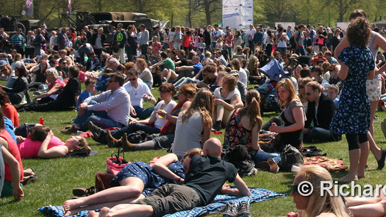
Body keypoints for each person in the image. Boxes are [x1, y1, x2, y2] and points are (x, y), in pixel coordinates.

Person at [89, 138, 250, 217]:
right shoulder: (228, 167)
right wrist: (229, 192)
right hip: (192, 195)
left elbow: (194, 172)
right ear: (221, 152)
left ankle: (108, 211)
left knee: (145, 202)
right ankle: (111, 215)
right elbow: (245, 191)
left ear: (204, 151)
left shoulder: (196, 158)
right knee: (156, 209)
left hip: (175, 187)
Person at [64, 149, 202, 216]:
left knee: (136, 200)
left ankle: (79, 209)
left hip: (152, 189)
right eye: (193, 158)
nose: (194, 163)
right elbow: (157, 166)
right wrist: (178, 179)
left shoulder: (190, 176)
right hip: (145, 173)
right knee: (134, 190)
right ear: (187, 156)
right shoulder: (174, 158)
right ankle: (80, 202)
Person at [329, 16, 375, 182]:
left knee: (351, 135)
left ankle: (352, 174)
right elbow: (371, 75)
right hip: (362, 96)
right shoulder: (368, 53)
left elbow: (343, 75)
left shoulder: (348, 52)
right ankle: (361, 171)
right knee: (363, 133)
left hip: (350, 96)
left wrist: (341, 67)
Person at [91, 83, 177, 146]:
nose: (161, 93)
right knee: (134, 127)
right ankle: (106, 135)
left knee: (134, 127)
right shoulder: (160, 103)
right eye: (160, 91)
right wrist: (137, 121)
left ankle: (104, 135)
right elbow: (151, 120)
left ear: (170, 93)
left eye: (164, 91)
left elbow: (173, 121)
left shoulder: (172, 104)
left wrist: (166, 115)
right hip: (153, 127)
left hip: (159, 131)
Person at [226, 90, 280, 169]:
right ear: (259, 101)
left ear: (245, 100)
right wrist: (261, 150)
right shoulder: (255, 119)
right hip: (246, 153)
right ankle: (269, 162)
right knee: (279, 155)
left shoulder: (234, 112)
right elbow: (255, 146)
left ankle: (261, 162)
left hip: (229, 151)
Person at [171, 89, 214, 159]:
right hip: (192, 155)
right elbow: (206, 144)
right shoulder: (205, 118)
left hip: (175, 153)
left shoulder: (183, 113)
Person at [267, 78, 305, 150]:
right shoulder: (287, 103)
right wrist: (278, 127)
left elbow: (300, 124)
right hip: (285, 140)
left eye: (283, 91)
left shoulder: (295, 104)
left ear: (290, 91)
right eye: (279, 91)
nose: (280, 94)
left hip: (292, 144)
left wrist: (281, 129)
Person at [17, 126, 89, 159]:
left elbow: (42, 153)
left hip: (20, 149)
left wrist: (48, 137)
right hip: (19, 141)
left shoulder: (63, 149)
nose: (72, 136)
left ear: (77, 146)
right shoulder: (61, 143)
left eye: (75, 138)